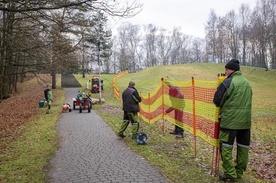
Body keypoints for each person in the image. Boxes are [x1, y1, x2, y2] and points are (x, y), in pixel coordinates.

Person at [213, 59, 252, 182]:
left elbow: (217, 100)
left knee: (226, 146)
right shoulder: (247, 83)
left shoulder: (227, 82)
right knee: (243, 147)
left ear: (232, 70)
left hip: (229, 122)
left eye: (226, 69)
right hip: (245, 122)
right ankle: (239, 172)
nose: (225, 72)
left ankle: (230, 173)